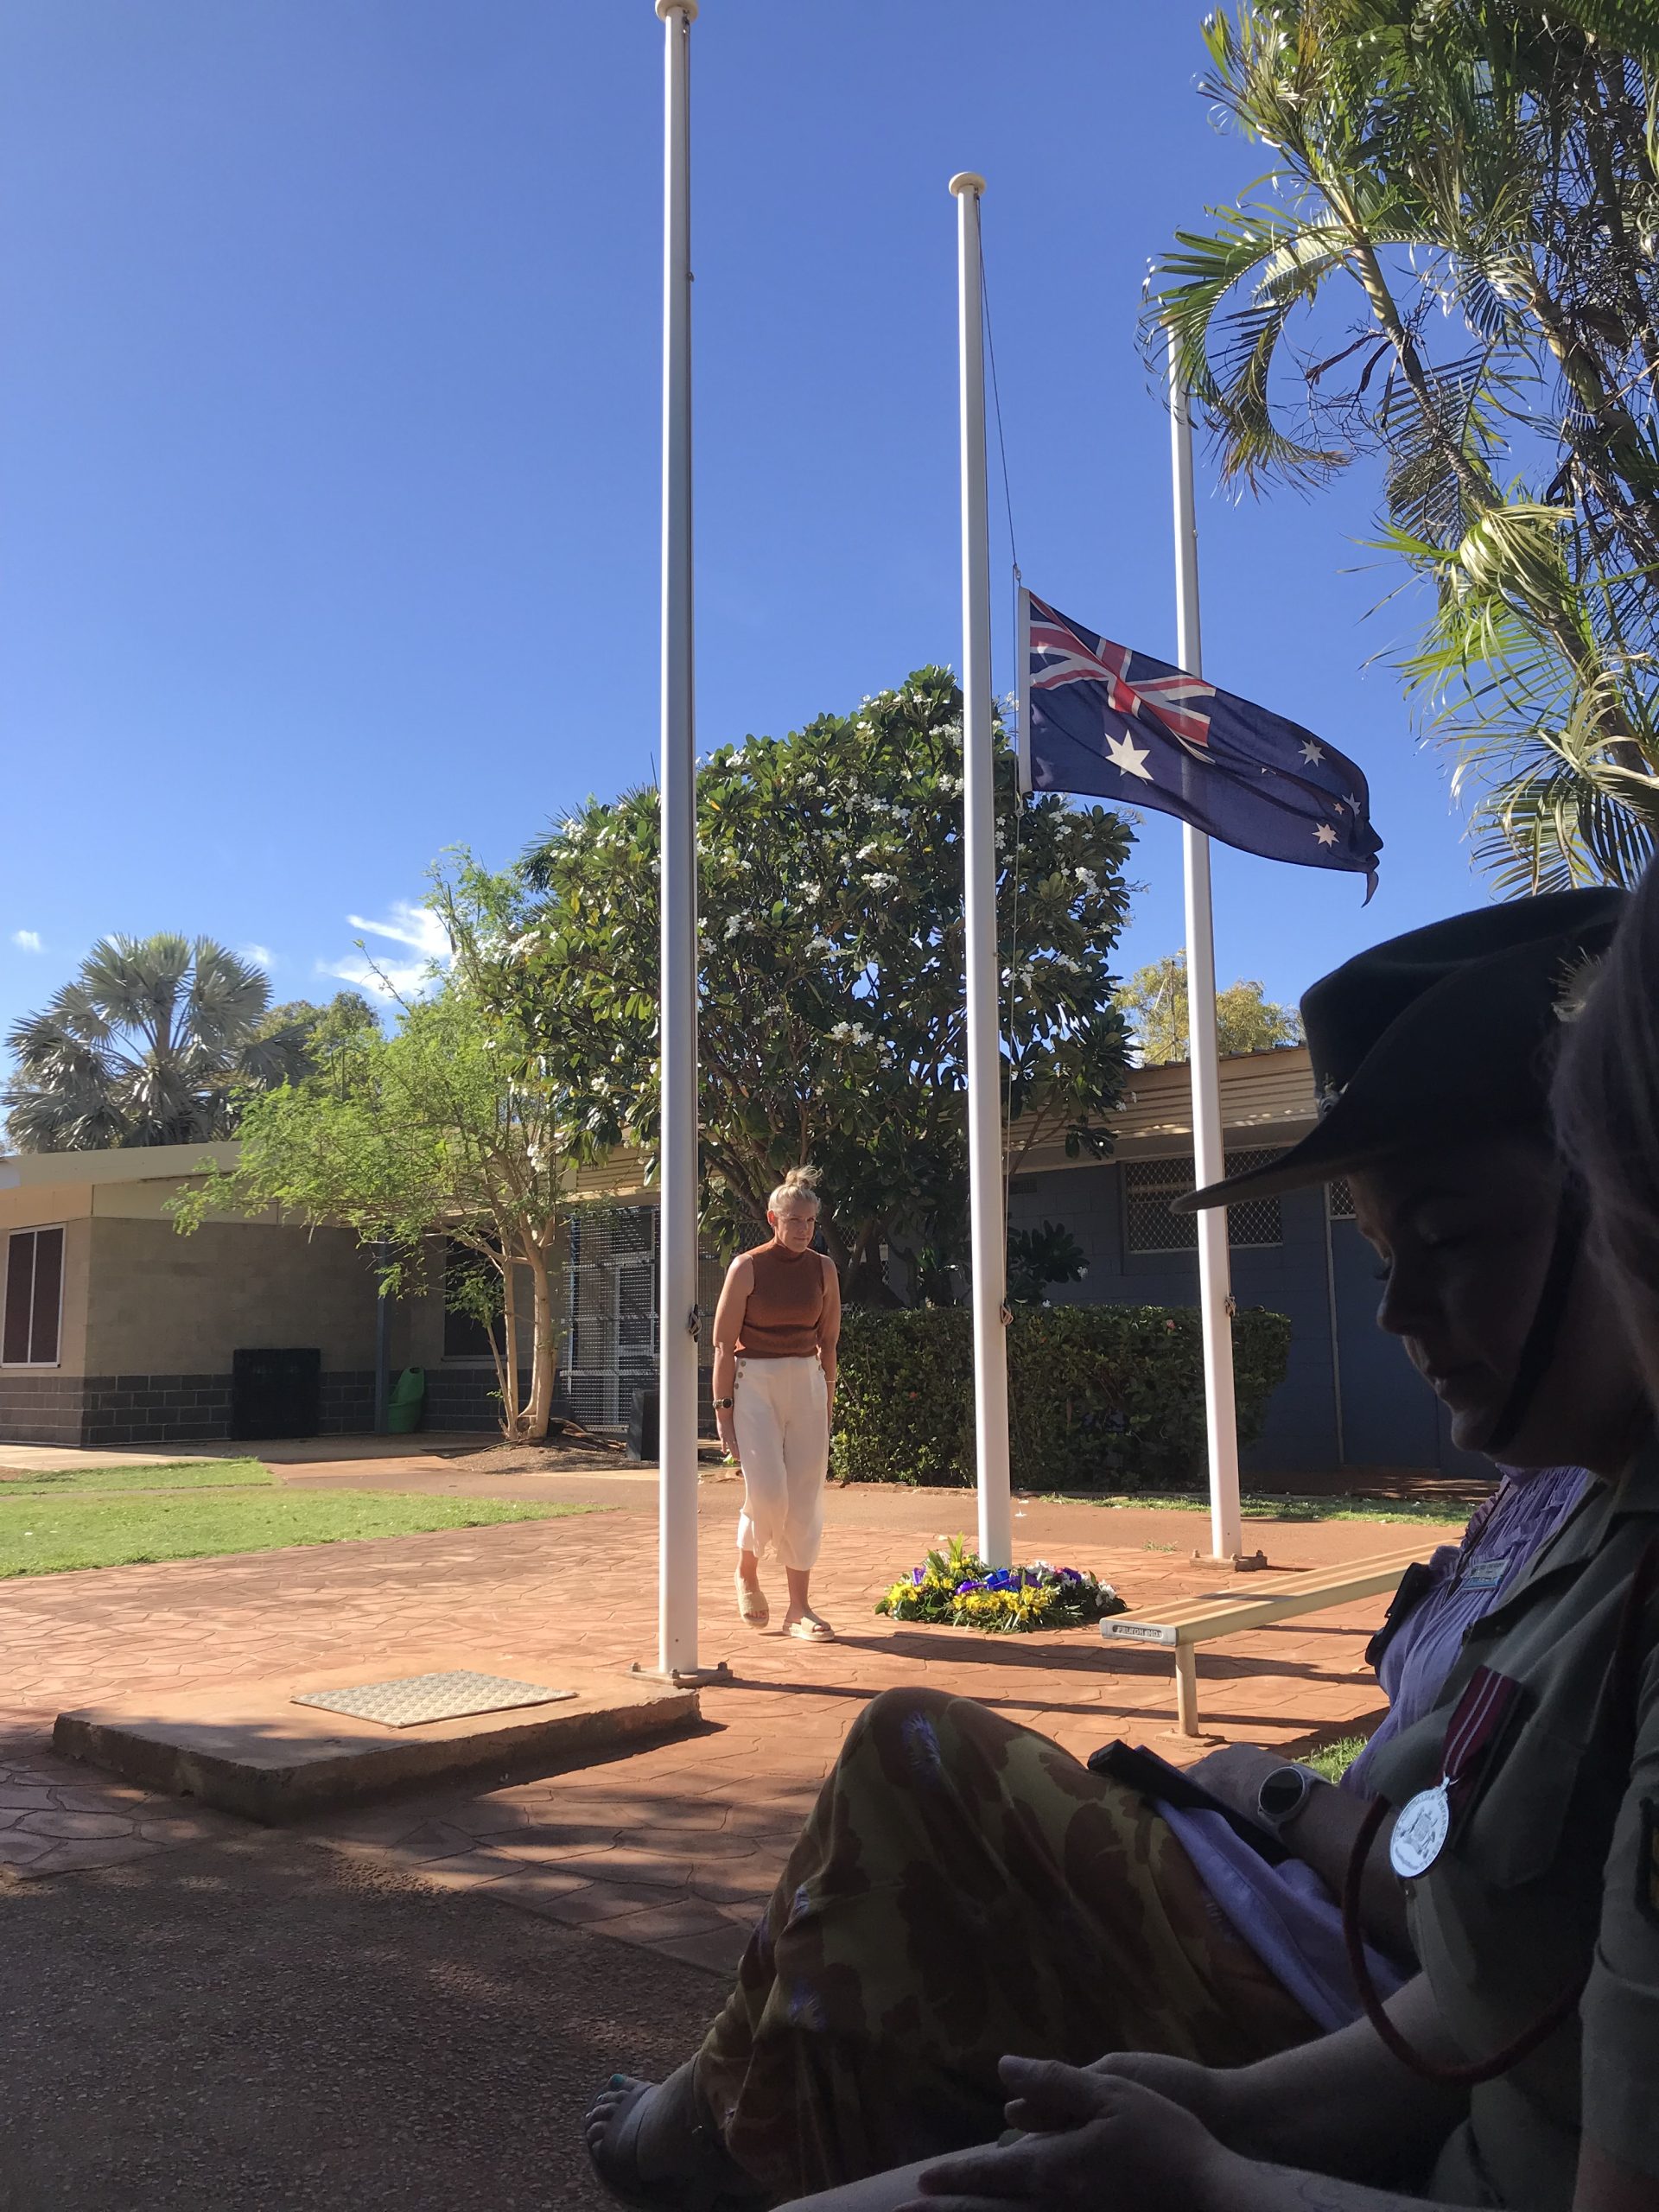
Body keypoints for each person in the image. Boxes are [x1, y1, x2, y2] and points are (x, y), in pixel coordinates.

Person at [586, 889, 1640, 2211]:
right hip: (1323, 2005)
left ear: (1631, 1217)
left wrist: (1281, 1809)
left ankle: (692, 2133)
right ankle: (725, 2132)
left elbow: (1484, 1964)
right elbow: (1492, 1991)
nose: (1391, 1309)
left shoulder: (1626, 1581)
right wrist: (1231, 2113)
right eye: (1377, 1250)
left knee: (910, 1754)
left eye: (1447, 1241)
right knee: (898, 1936)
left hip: (1313, 1975)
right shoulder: (1572, 1507)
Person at [711, 1166, 842, 1643]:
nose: (804, 1230)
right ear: (773, 1218)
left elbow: (828, 1342)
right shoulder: (747, 1266)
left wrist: (826, 1397)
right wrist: (723, 1411)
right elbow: (724, 1345)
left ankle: (798, 1608)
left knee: (805, 1496)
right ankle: (746, 1570)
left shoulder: (824, 1269)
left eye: (810, 1222)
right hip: (754, 1384)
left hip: (806, 1381)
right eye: (794, 1221)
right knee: (768, 1493)